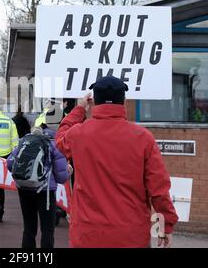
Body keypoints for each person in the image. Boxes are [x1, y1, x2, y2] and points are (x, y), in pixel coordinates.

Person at [55, 76, 179, 248]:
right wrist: (166, 225)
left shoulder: (78, 134)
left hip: (88, 234)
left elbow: (60, 139)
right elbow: (158, 189)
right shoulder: (143, 138)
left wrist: (80, 109)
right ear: (124, 102)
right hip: (131, 236)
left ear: (94, 101)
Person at [7, 126, 70, 248]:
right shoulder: (54, 146)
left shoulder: (23, 143)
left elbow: (10, 163)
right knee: (47, 229)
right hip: (46, 191)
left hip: (24, 188)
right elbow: (62, 177)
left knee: (29, 228)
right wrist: (69, 172)